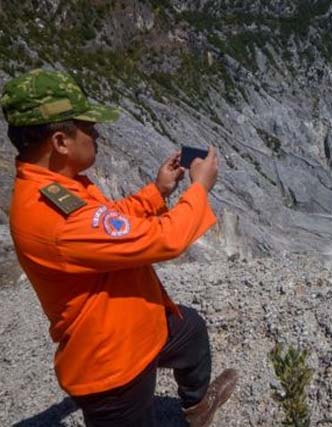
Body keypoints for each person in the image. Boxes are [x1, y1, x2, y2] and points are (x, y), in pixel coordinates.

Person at [1, 69, 236, 427]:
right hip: (111, 363)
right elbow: (165, 239)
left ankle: (197, 408)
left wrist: (157, 192)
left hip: (136, 322)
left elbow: (108, 221)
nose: (96, 133)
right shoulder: (51, 215)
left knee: (191, 332)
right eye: (88, 127)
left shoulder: (59, 187)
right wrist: (199, 189)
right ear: (61, 141)